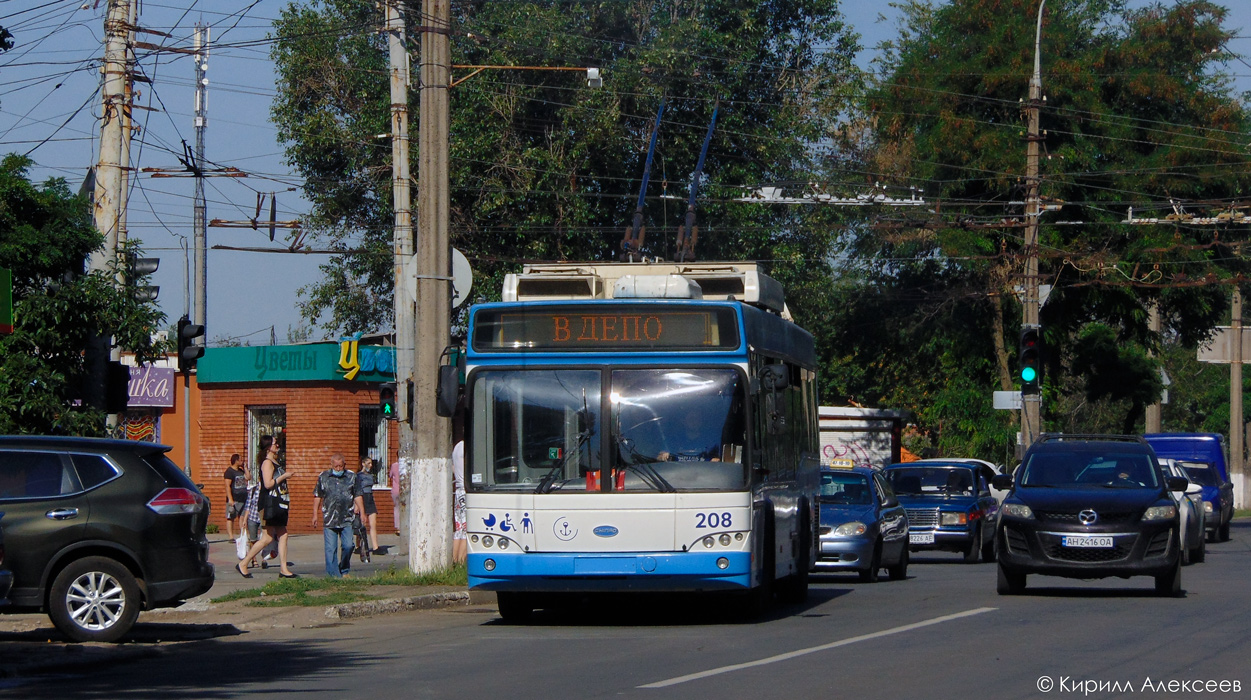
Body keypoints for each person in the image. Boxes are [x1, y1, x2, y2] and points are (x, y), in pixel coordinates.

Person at [238, 435, 297, 579]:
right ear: (268, 447)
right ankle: (244, 563)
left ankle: (283, 568)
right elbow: (268, 484)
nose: (278, 446)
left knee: (282, 534)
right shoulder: (267, 463)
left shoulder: (274, 461)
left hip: (278, 503)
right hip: (268, 505)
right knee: (267, 538)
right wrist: (284, 476)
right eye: (275, 444)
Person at [312, 452, 364, 578]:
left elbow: (357, 494)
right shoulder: (324, 477)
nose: (339, 469)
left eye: (341, 466)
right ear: (331, 465)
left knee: (348, 545)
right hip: (330, 518)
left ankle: (344, 569)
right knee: (331, 549)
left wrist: (362, 512)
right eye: (336, 467)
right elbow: (318, 495)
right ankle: (333, 575)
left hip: (347, 517)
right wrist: (315, 514)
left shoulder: (351, 477)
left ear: (344, 465)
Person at [657, 411, 722, 462]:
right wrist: (663, 456)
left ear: (701, 421)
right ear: (684, 421)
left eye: (697, 419)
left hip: (703, 474)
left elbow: (717, 460)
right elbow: (659, 457)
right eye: (691, 419)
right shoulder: (674, 440)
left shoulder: (710, 441)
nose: (694, 422)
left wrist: (715, 460)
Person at [451, 406, 467, 565]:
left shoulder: (456, 447)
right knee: (468, 530)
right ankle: (462, 562)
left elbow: (453, 468)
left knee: (459, 529)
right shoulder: (468, 448)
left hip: (458, 490)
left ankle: (454, 560)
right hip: (467, 491)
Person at [356, 456, 382, 554]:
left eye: (371, 463)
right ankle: (359, 546)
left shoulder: (371, 476)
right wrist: (357, 505)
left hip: (370, 498)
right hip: (362, 498)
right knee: (361, 524)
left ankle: (376, 548)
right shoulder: (358, 476)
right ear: (363, 464)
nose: (370, 466)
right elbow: (356, 490)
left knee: (373, 524)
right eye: (368, 463)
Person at [222, 453, 248, 542]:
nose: (242, 461)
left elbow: (248, 477)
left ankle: (243, 535)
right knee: (231, 517)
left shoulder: (241, 471)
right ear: (236, 461)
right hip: (234, 498)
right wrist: (230, 499)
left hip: (243, 498)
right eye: (240, 460)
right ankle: (230, 536)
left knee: (242, 517)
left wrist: (245, 468)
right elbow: (227, 486)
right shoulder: (229, 472)